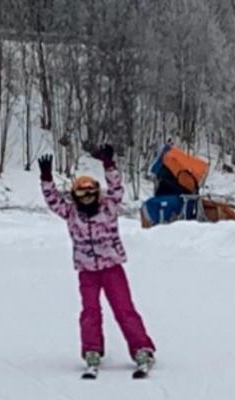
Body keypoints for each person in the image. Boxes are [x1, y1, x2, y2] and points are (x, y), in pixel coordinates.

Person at [38, 144, 156, 375]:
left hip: (112, 267)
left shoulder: (108, 208)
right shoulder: (71, 213)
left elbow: (116, 188)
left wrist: (109, 165)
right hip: (87, 270)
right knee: (90, 311)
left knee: (124, 308)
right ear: (75, 196)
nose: (87, 198)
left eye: (90, 193)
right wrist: (46, 179)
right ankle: (92, 349)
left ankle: (141, 348)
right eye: (81, 194)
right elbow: (53, 201)